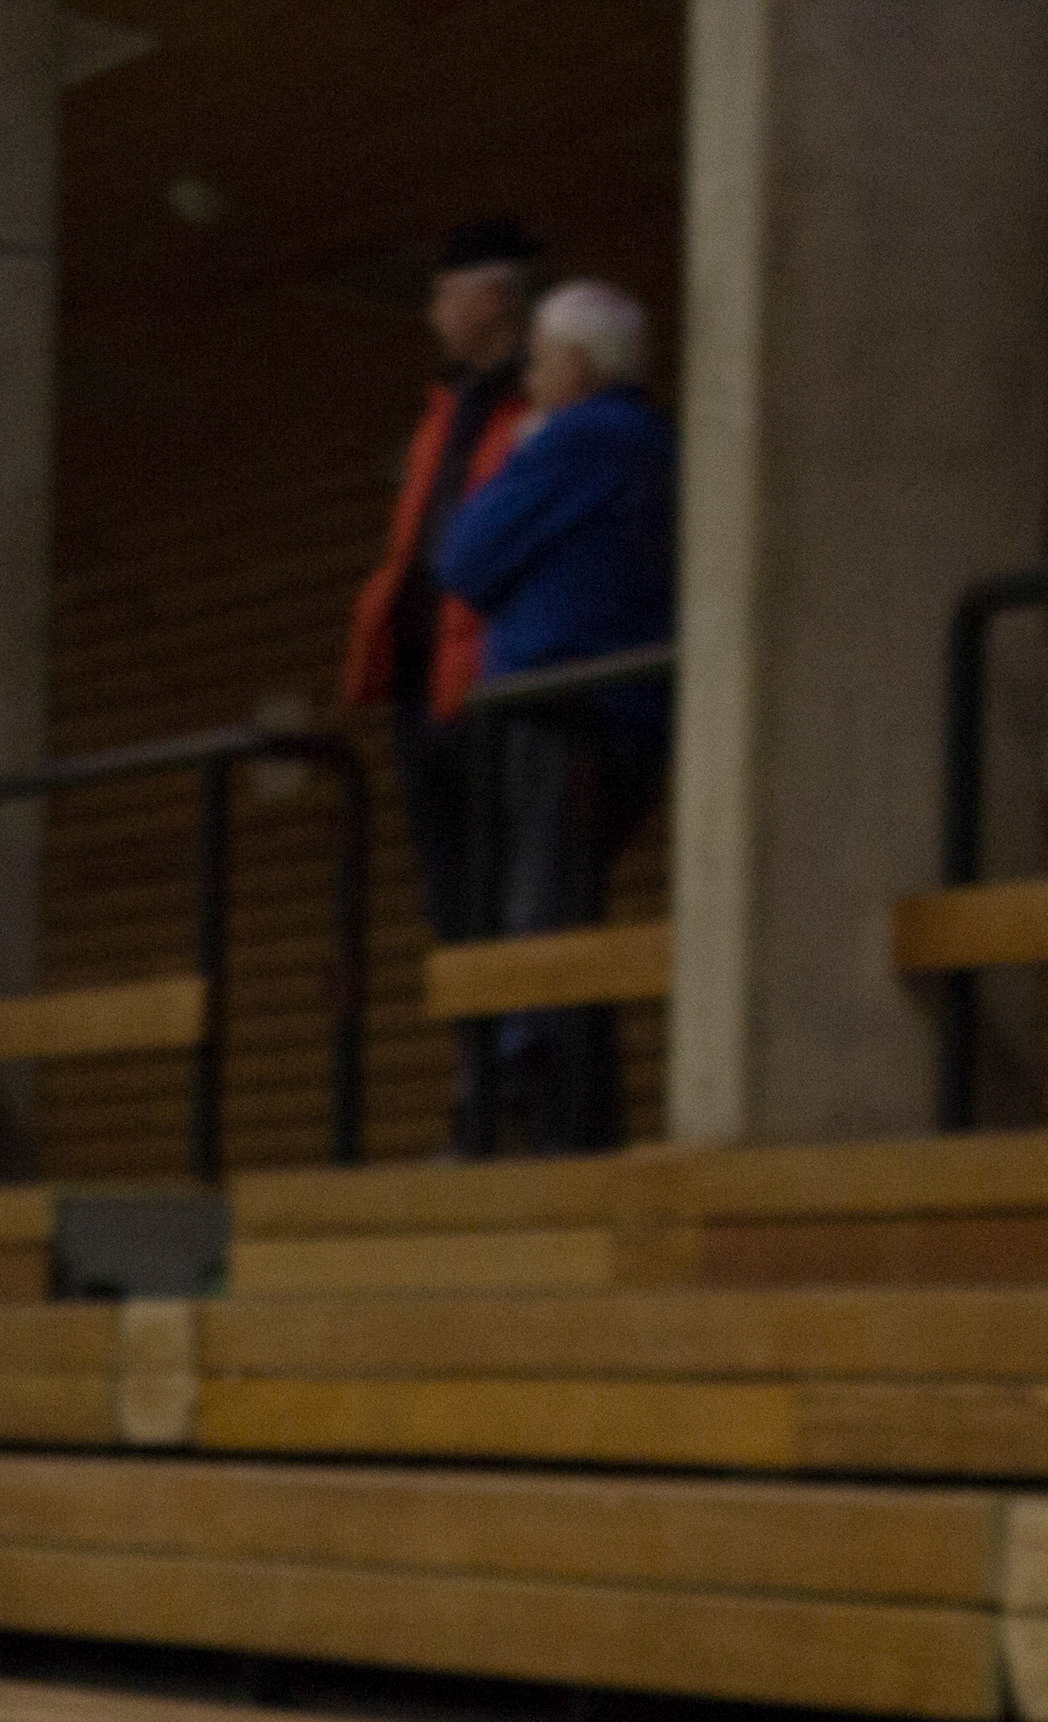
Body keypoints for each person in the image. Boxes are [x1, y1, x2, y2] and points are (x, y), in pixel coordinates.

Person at [435, 278, 677, 1155]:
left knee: (545, 914)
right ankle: (561, 1115)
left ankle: (548, 1121)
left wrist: (525, 455)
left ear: (575, 364)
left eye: (538, 358)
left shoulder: (581, 442)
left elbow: (464, 555)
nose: (530, 377)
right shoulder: (653, 445)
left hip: (562, 708)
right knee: (559, 909)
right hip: (618, 711)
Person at [341, 215, 548, 1152]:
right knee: (455, 907)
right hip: (425, 691)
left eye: (445, 292)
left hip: (494, 690)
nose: (432, 312)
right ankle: (475, 1100)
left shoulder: (538, 412)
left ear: (490, 299)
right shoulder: (445, 414)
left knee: (516, 904)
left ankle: (521, 1104)